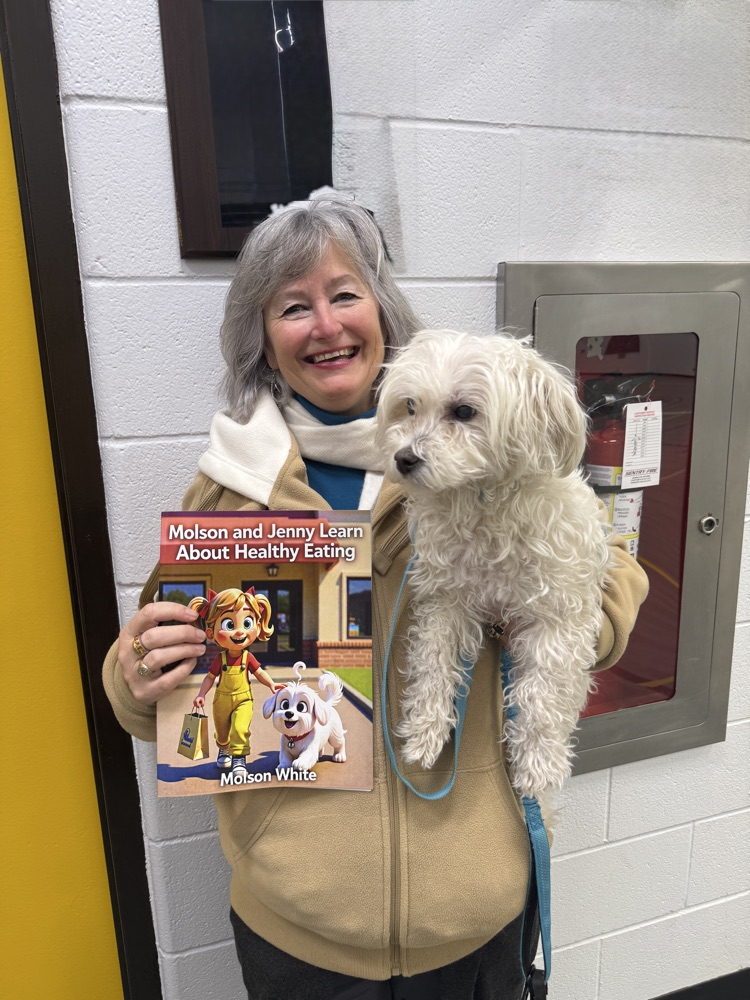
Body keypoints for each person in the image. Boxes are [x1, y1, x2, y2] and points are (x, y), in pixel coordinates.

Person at [104, 195, 649, 999]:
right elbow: (155, 697)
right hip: (299, 931)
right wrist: (136, 672)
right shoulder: (229, 493)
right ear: (264, 338)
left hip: (474, 918)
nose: (324, 324)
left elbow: (608, 586)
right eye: (293, 306)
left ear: (382, 311)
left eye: (344, 294)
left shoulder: (498, 455)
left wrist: (563, 617)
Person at [189, 586, 283, 779]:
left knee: (240, 728)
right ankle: (224, 749)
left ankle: (239, 758)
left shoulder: (247, 657)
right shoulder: (220, 659)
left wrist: (271, 684)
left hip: (243, 699)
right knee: (222, 731)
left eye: (247, 623)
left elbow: (258, 672)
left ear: (257, 625)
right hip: (221, 699)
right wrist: (201, 694)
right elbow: (209, 678)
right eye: (229, 625)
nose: (239, 632)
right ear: (211, 633)